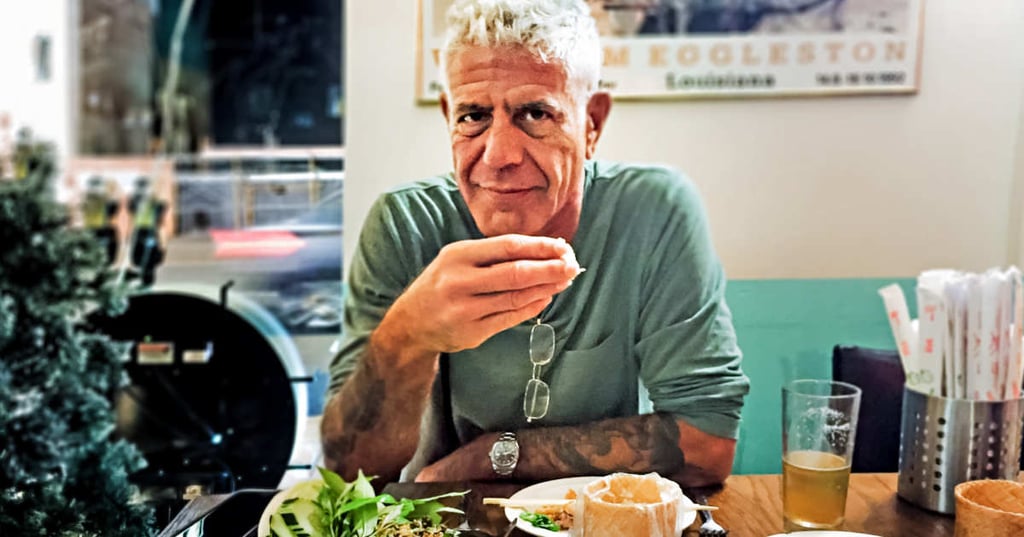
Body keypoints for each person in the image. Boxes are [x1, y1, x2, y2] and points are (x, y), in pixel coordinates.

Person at [322, 0, 748, 487]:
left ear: (592, 123)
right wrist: (410, 335)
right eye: (473, 116)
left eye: (535, 113)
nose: (499, 154)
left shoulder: (652, 213)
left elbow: (707, 442)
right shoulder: (405, 224)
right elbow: (345, 469)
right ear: (448, 117)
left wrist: (491, 457)